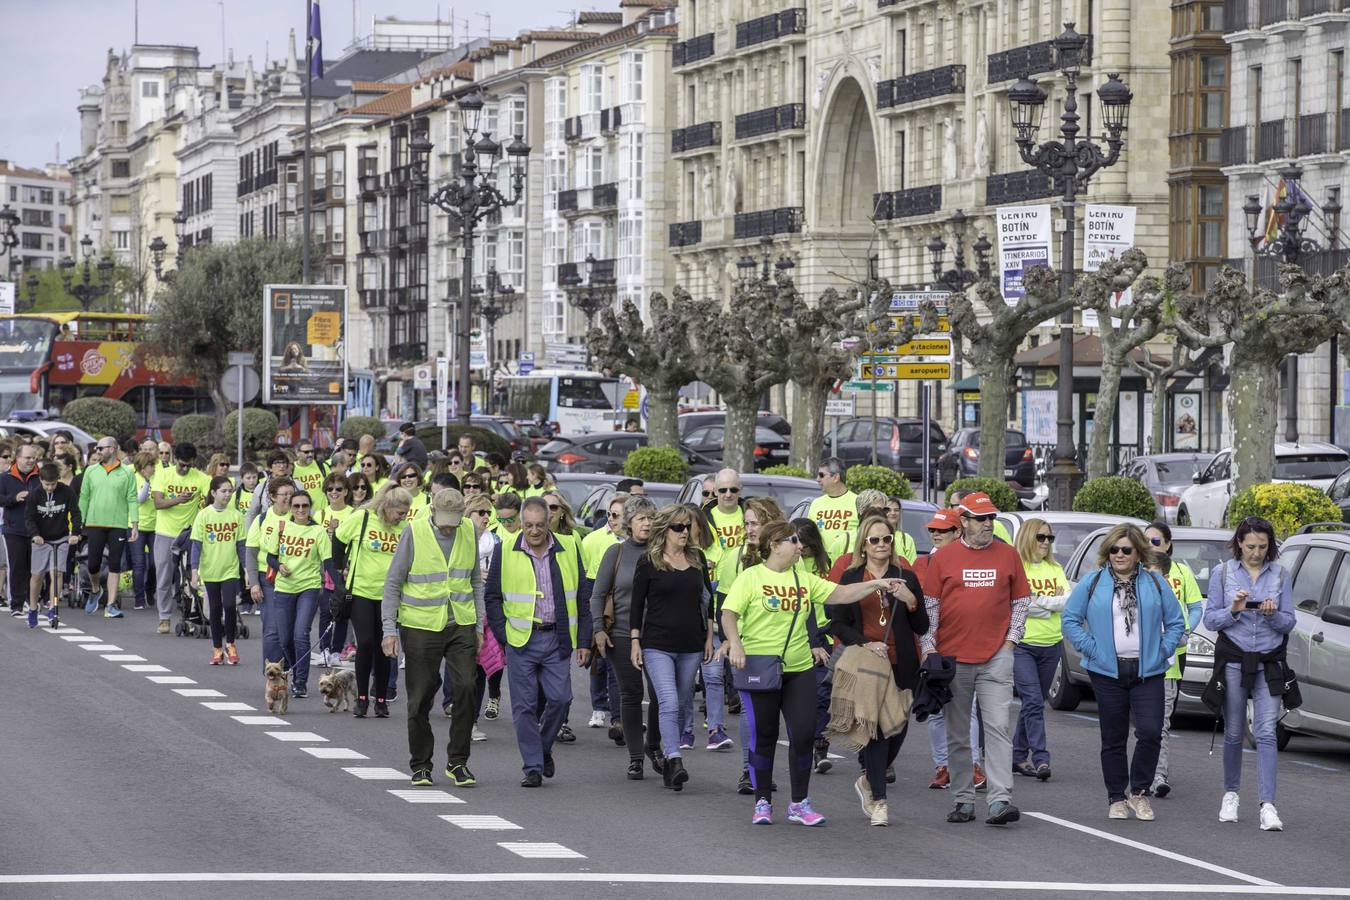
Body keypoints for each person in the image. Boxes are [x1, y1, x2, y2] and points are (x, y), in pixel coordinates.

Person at [723, 520, 910, 826]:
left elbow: (840, 593)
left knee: (804, 734)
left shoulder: (804, 579)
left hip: (798, 668)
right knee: (765, 734)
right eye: (793, 540)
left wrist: (876, 584)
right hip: (760, 666)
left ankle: (799, 804)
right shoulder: (751, 577)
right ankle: (763, 801)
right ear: (775, 544)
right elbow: (729, 613)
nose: (800, 546)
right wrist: (735, 644)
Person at [918, 491, 1029, 826]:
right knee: (958, 733)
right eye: (980, 519)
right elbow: (931, 606)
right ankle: (964, 799)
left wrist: (1010, 642)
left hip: (997, 655)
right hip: (953, 658)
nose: (987, 525)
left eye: (991, 518)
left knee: (997, 727)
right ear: (962, 521)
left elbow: (1021, 602)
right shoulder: (944, 558)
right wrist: (930, 648)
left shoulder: (1008, 555)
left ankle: (1000, 801)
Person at [1062, 523, 1184, 822]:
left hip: (1148, 671)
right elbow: (1070, 620)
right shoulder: (1093, 582)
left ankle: (1138, 793)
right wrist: (1093, 649)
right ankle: (1116, 796)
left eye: (1126, 550)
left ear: (1138, 553)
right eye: (1114, 549)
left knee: (1151, 732)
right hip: (1108, 672)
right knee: (1113, 737)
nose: (1119, 554)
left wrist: (1162, 649)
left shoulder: (1155, 583)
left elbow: (1177, 622)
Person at [483, 496, 593, 788]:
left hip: (557, 638)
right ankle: (532, 766)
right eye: (529, 525)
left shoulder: (569, 547)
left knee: (560, 699)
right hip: (521, 640)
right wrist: (503, 634)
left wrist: (584, 640)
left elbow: (583, 596)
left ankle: (543, 749)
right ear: (521, 523)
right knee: (524, 706)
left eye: (540, 525)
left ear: (550, 522)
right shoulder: (504, 549)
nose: (534, 531)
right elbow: (492, 597)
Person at [827, 514, 927, 825]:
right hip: (868, 666)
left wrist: (910, 600)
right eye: (874, 540)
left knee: (898, 727)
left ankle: (868, 781)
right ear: (864, 545)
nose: (881, 545)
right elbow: (837, 622)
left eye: (887, 539)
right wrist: (864, 643)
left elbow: (922, 625)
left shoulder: (905, 575)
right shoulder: (852, 576)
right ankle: (880, 801)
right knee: (877, 730)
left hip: (903, 665)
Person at [381, 489, 484, 786]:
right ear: (433, 511)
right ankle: (421, 763)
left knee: (466, 687)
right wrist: (389, 629)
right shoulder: (414, 532)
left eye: (455, 520)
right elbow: (393, 583)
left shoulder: (469, 531)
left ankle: (458, 761)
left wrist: (478, 626)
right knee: (420, 698)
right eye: (445, 521)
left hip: (460, 623)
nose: (450, 527)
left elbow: (475, 580)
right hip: (421, 626)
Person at [1203, 516, 1295, 832]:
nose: (1256, 553)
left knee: (1266, 732)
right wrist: (1234, 609)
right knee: (1233, 730)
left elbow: (1289, 623)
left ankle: (1267, 805)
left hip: (1269, 660)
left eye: (1263, 547)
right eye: (1251, 546)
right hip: (1234, 658)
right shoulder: (1223, 573)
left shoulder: (1281, 574)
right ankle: (1231, 794)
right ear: (1239, 544)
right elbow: (1211, 620)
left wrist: (1271, 616)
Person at [630, 504, 714, 791]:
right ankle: (675, 759)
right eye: (678, 527)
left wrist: (709, 637)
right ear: (664, 530)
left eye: (687, 526)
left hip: (691, 644)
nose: (684, 532)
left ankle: (668, 761)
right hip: (657, 644)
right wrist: (634, 641)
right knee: (667, 700)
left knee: (680, 702)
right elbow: (637, 604)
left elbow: (708, 600)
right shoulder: (649, 561)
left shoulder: (697, 557)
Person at [714, 495, 784, 794]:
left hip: (783, 646)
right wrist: (732, 641)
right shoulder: (734, 557)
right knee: (749, 711)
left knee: (773, 715)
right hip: (748, 647)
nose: (750, 529)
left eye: (756, 523)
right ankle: (749, 770)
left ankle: (763, 766)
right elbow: (723, 605)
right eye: (746, 523)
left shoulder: (789, 555)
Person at [591, 495, 659, 778]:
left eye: (651, 518)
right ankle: (635, 758)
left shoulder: (661, 551)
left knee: (660, 697)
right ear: (629, 523)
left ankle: (653, 746)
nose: (647, 523)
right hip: (620, 634)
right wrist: (597, 629)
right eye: (641, 518)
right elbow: (597, 594)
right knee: (631, 695)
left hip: (658, 636)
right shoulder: (616, 553)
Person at [335, 486, 410, 716]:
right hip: (362, 592)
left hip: (390, 595)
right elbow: (338, 542)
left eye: (406, 513)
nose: (403, 517)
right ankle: (362, 698)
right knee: (366, 643)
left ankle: (380, 698)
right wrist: (340, 570)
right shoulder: (362, 518)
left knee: (384, 648)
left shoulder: (405, 528)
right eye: (400, 513)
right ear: (387, 507)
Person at [1143, 520, 1203, 798]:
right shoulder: (1137, 571)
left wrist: (1183, 630)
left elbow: (1194, 607)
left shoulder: (1181, 571)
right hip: (1141, 658)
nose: (1149, 546)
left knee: (1162, 721)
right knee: (1146, 723)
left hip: (1172, 656)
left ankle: (1159, 775)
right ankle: (1142, 770)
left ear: (1168, 544)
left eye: (1155, 542)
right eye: (1145, 541)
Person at [1012, 517, 1071, 781]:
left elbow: (1066, 602)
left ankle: (1016, 755)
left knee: (1032, 704)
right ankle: (1041, 758)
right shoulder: (1018, 567)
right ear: (1028, 537)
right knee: (1034, 701)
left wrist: (1041, 603)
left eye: (1049, 538)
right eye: (1041, 537)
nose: (1046, 542)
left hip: (1052, 644)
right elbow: (1020, 604)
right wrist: (1050, 603)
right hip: (1022, 644)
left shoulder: (1056, 568)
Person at [264, 488, 331, 698]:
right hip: (284, 588)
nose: (301, 509)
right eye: (296, 506)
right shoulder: (282, 526)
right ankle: (293, 671)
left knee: (300, 634)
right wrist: (279, 565)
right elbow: (270, 557)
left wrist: (339, 588)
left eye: (305, 505)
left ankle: (300, 682)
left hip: (308, 588)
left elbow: (328, 561)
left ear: (310, 507)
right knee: (285, 640)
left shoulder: (318, 531)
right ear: (290, 508)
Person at [151, 443, 211, 634]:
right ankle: (164, 617)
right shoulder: (163, 474)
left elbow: (211, 499)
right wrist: (178, 500)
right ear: (175, 459)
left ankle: (194, 614)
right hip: (165, 532)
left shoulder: (201, 477)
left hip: (189, 534)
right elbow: (158, 503)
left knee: (191, 578)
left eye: (189, 465)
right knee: (164, 576)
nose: (185, 469)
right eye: (182, 465)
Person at [77, 437, 138, 618]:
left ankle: (111, 605)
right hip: (95, 523)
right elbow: (84, 497)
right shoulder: (91, 471)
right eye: (97, 448)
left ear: (112, 449)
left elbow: (132, 499)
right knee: (93, 564)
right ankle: (96, 590)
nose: (97, 451)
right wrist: (79, 521)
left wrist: (134, 524)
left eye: (101, 448)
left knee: (114, 564)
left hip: (118, 524)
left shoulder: (127, 472)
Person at [581, 494, 627, 730]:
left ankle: (619, 715)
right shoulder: (592, 540)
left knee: (617, 662)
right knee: (599, 656)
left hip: (624, 601)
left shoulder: (638, 541)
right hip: (599, 597)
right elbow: (586, 579)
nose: (611, 519)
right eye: (609, 514)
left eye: (617, 515)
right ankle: (599, 707)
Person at [190, 475, 246, 665]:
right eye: (223, 491)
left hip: (230, 569)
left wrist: (246, 569)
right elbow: (196, 545)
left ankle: (230, 644)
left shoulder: (236, 515)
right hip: (210, 570)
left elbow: (241, 546)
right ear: (213, 493)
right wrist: (194, 571)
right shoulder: (204, 515)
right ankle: (217, 648)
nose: (227, 494)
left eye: (230, 491)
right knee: (214, 609)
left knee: (230, 606)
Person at [24, 462, 82, 629]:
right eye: (46, 484)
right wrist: (35, 535)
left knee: (56, 573)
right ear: (40, 480)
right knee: (37, 576)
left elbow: (76, 513)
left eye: (53, 484)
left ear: (58, 480)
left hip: (61, 538)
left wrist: (75, 533)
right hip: (41, 539)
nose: (50, 488)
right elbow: (29, 518)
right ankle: (33, 608)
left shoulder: (66, 491)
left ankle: (53, 608)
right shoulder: (35, 495)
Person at [246, 477, 295, 671]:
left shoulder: (299, 517)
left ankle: (293, 671)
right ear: (273, 497)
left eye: (292, 494)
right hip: (268, 579)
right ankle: (273, 672)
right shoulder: (263, 519)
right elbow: (251, 551)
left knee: (292, 631)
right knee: (273, 630)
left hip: (295, 580)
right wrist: (254, 582)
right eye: (285, 494)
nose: (289, 498)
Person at [1, 444, 41, 618]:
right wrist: (13, 498)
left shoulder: (39, 478)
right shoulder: (5, 477)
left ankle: (31, 600)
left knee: (35, 568)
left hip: (36, 530)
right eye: (27, 458)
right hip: (13, 528)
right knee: (17, 567)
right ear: (17, 458)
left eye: (33, 458)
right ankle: (16, 604)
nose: (31, 461)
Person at [808, 457, 857, 561]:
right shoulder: (816, 504)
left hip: (848, 564)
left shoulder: (858, 502)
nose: (817, 479)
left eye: (821, 475)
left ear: (835, 477)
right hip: (820, 565)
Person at [129, 451, 159, 611]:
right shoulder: (133, 477)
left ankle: (150, 590)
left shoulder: (159, 477)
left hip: (155, 526)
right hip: (136, 525)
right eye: (150, 465)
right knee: (139, 564)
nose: (153, 468)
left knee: (154, 563)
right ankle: (139, 598)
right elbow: (139, 499)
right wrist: (147, 482)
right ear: (142, 467)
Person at [291, 440, 330, 515]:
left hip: (323, 514)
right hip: (301, 515)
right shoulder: (291, 469)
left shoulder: (322, 467)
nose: (310, 454)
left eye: (312, 451)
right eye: (306, 452)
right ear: (297, 453)